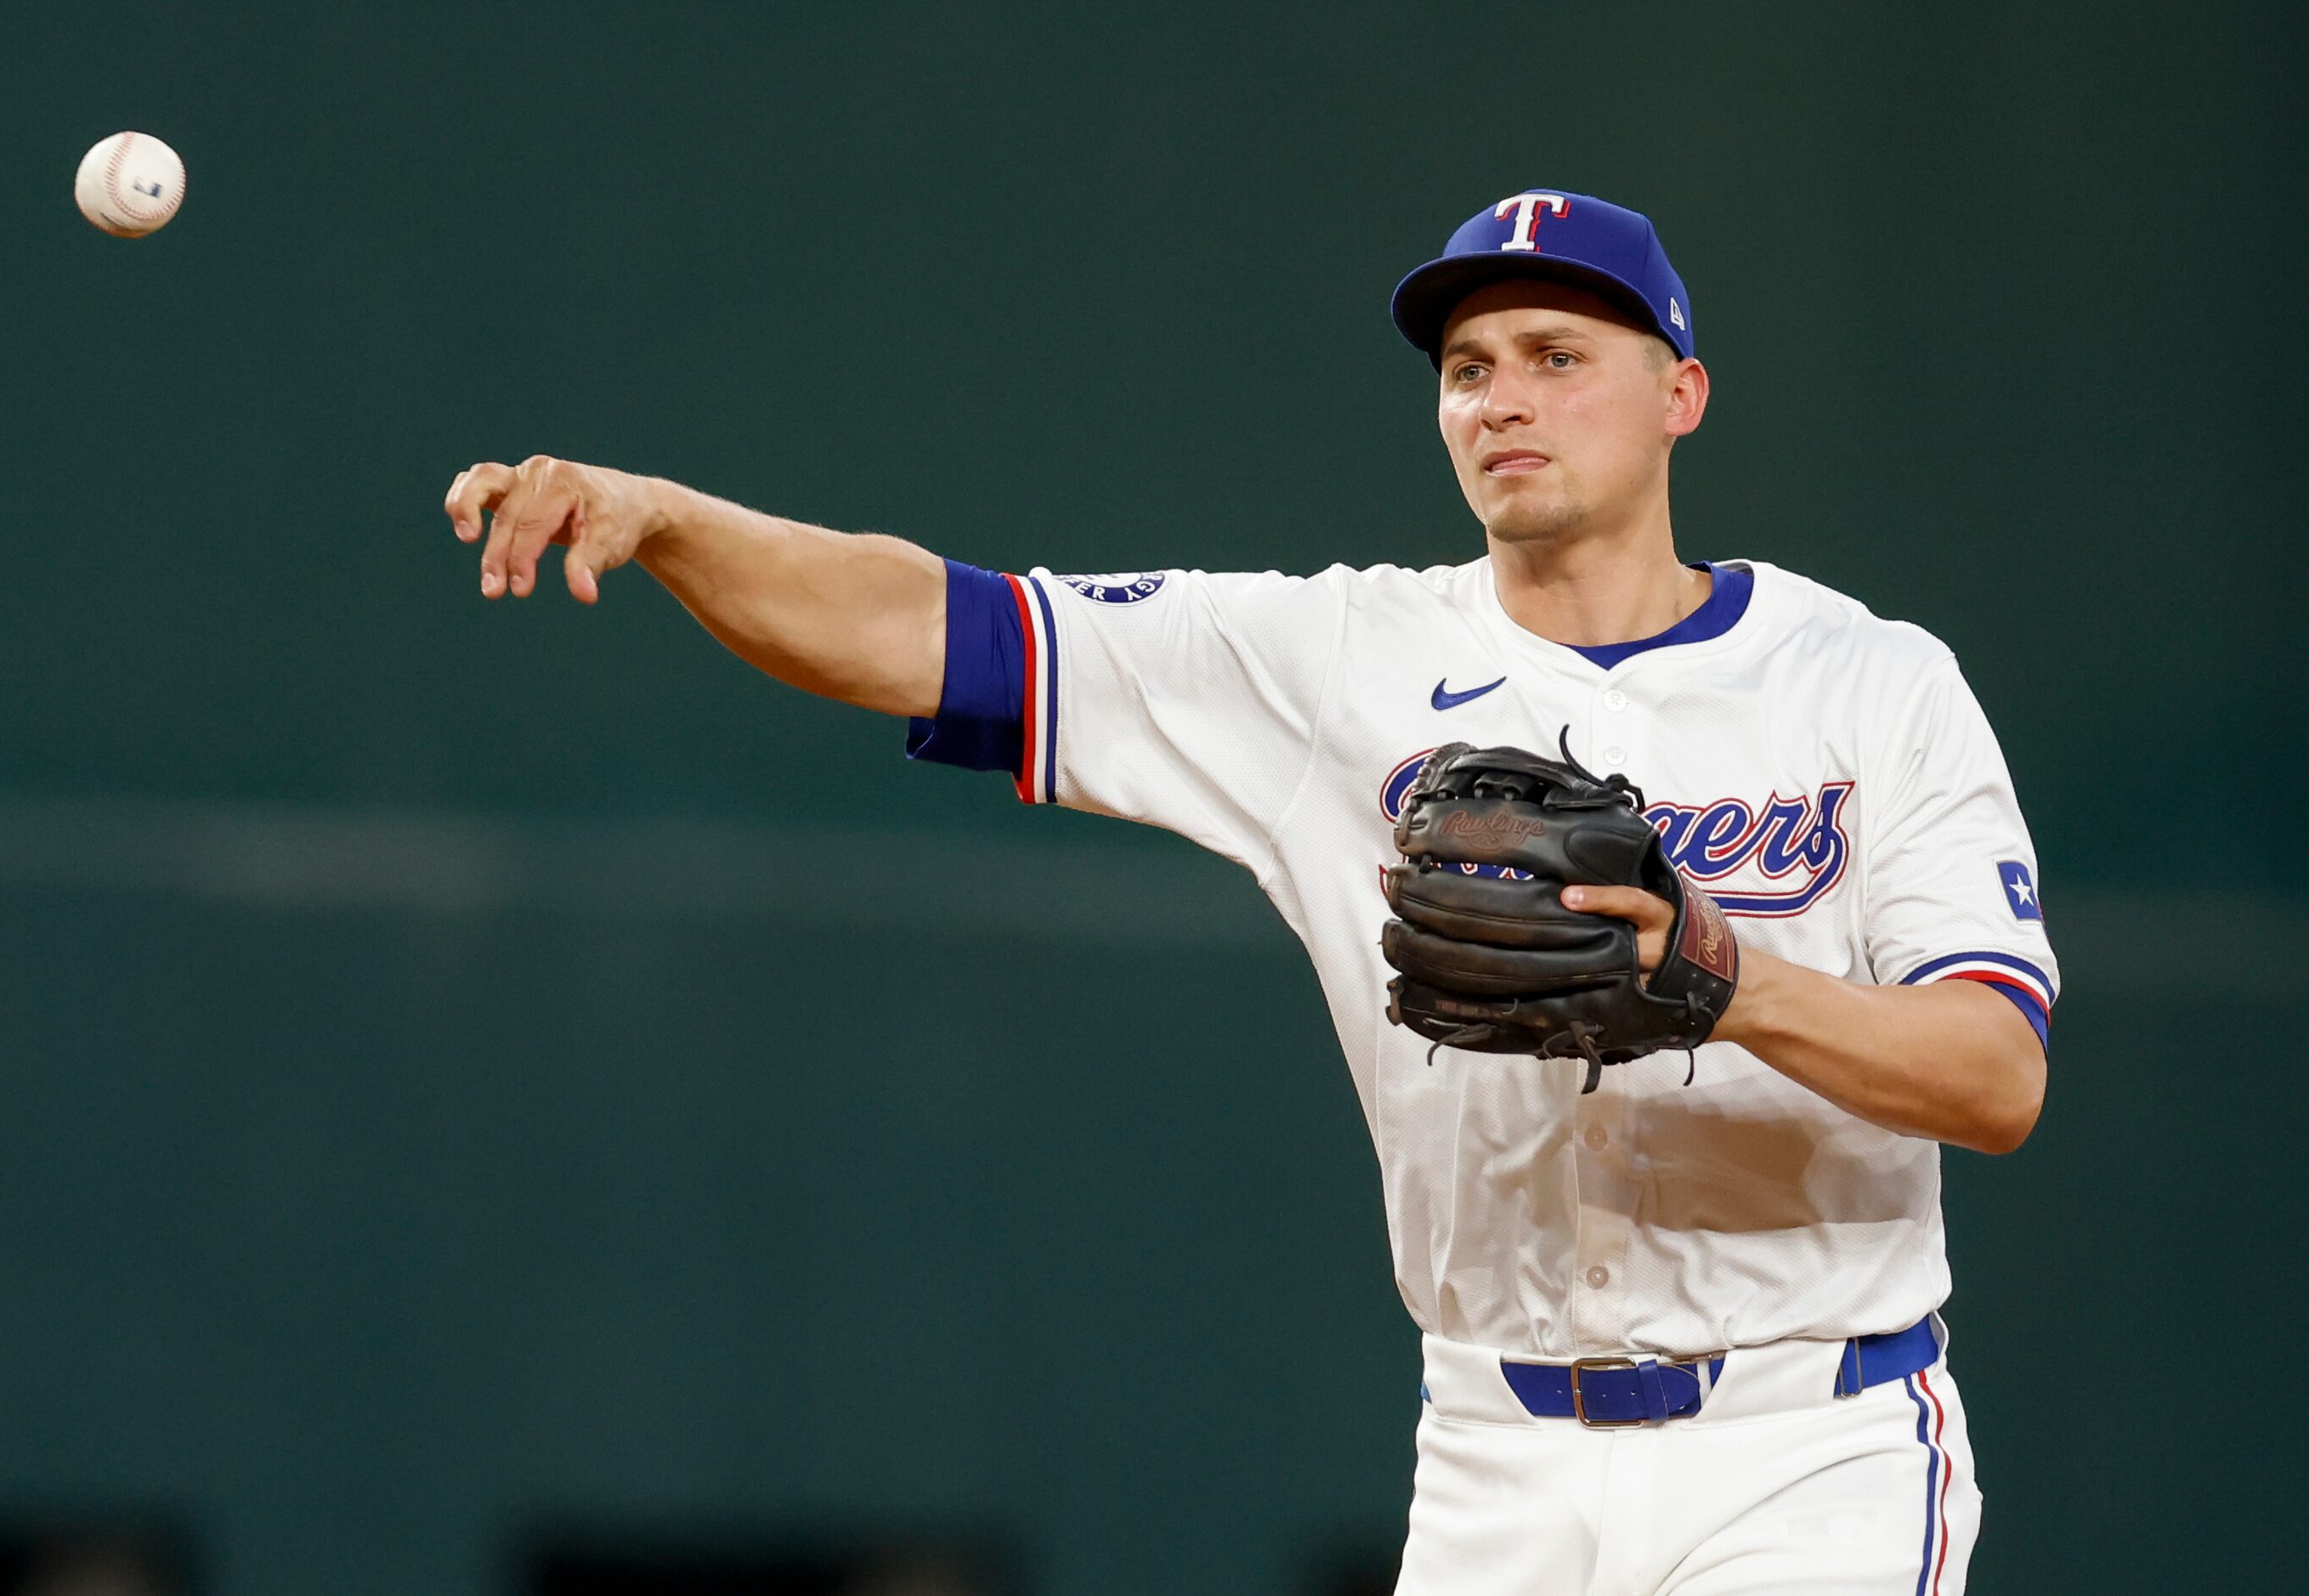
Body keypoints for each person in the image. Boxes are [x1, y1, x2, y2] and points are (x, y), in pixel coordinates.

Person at [444, 189, 2055, 1594]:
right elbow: (927, 626)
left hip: (1809, 1438)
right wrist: (667, 522)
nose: (1505, 399)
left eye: (1560, 357)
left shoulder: (1871, 684)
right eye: (1469, 367)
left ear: (1682, 393)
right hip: (1497, 1456)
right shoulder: (1335, 662)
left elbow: (1994, 1078)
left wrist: (1728, 977)